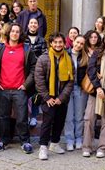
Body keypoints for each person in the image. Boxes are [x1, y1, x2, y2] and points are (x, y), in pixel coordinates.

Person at [0, 23, 37, 154]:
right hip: (3, 89)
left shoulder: (26, 49)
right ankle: (3, 141)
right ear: (8, 33)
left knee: (22, 117)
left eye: (17, 31)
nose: (15, 33)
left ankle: (25, 142)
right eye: (12, 31)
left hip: (20, 90)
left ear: (20, 34)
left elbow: (34, 68)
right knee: (3, 117)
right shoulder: (0, 49)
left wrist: (26, 84)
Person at [34, 32, 74, 160]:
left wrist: (61, 98)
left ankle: (55, 144)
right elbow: (39, 80)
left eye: (60, 42)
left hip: (62, 98)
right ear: (51, 43)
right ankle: (43, 147)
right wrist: (47, 97)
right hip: (48, 98)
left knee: (59, 121)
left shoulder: (68, 58)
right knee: (47, 122)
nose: (58, 44)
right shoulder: (43, 58)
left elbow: (70, 81)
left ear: (64, 43)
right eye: (55, 42)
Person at [65, 35, 89, 151]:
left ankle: (79, 138)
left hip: (80, 88)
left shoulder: (85, 57)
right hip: (67, 89)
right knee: (69, 116)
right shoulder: (65, 53)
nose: (79, 45)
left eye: (81, 44)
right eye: (77, 42)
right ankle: (69, 139)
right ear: (73, 41)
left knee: (79, 115)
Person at [24, 18, 47, 127]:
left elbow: (44, 54)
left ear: (38, 26)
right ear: (28, 25)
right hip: (25, 70)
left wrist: (36, 62)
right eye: (31, 23)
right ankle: (26, 116)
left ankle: (33, 116)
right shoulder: (23, 38)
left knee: (36, 94)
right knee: (25, 94)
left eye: (35, 23)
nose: (33, 25)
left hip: (37, 70)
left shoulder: (42, 40)